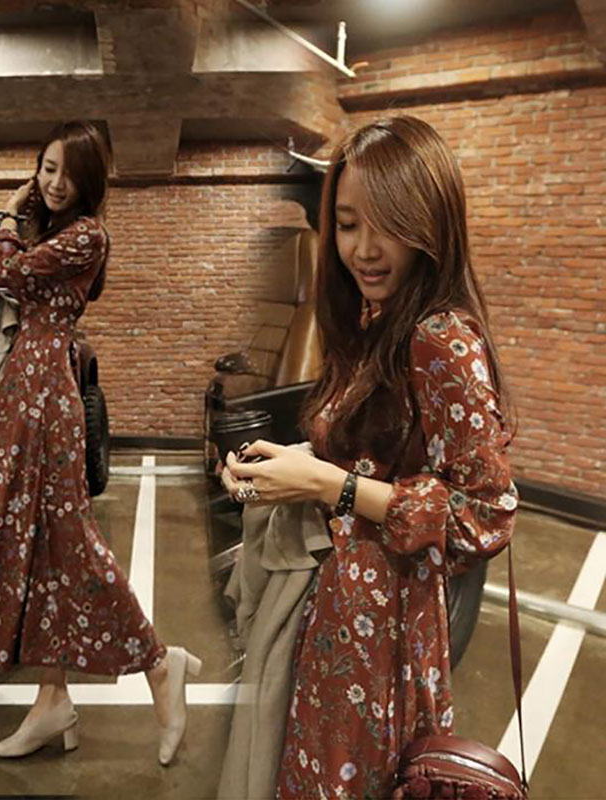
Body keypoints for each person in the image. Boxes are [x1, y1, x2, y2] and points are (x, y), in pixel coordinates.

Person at [220, 115, 518, 798]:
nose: (364, 249)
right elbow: (372, 457)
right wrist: (281, 472)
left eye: (388, 225)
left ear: (431, 223)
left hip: (383, 629)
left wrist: (333, 486)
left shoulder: (441, 337)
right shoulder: (379, 321)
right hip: (340, 610)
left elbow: (487, 512)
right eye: (348, 224)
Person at [0, 122, 201, 765]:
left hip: (47, 397)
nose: (54, 183)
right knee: (37, 548)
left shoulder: (87, 235)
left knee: (69, 541)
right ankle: (52, 700)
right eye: (46, 168)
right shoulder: (57, 233)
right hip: (22, 390)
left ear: (89, 181)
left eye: (67, 173)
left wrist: (7, 213)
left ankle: (160, 663)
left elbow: (6, 272)